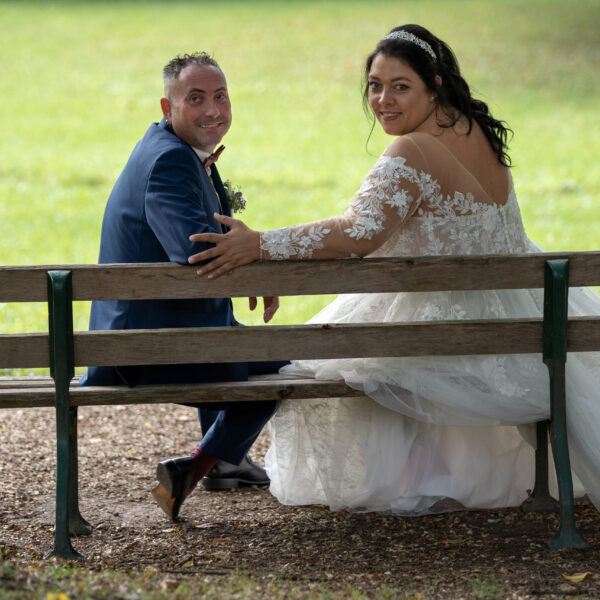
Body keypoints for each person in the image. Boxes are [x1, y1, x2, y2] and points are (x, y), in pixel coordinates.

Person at [186, 25, 600, 515]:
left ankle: (209, 460)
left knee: (319, 361)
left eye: (400, 86)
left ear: (435, 85)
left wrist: (260, 244)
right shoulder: (473, 129)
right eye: (375, 86)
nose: (383, 100)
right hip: (523, 316)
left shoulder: (412, 150)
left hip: (452, 327)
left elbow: (358, 233)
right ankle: (430, 471)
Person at [80, 52, 286, 520]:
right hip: (146, 345)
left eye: (220, 96)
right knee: (280, 372)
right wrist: (263, 270)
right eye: (195, 99)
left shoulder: (174, 149)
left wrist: (251, 262)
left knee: (235, 337)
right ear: (166, 106)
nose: (212, 109)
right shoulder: (170, 162)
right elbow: (198, 251)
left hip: (155, 327)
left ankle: (227, 462)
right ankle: (200, 466)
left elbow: (211, 235)